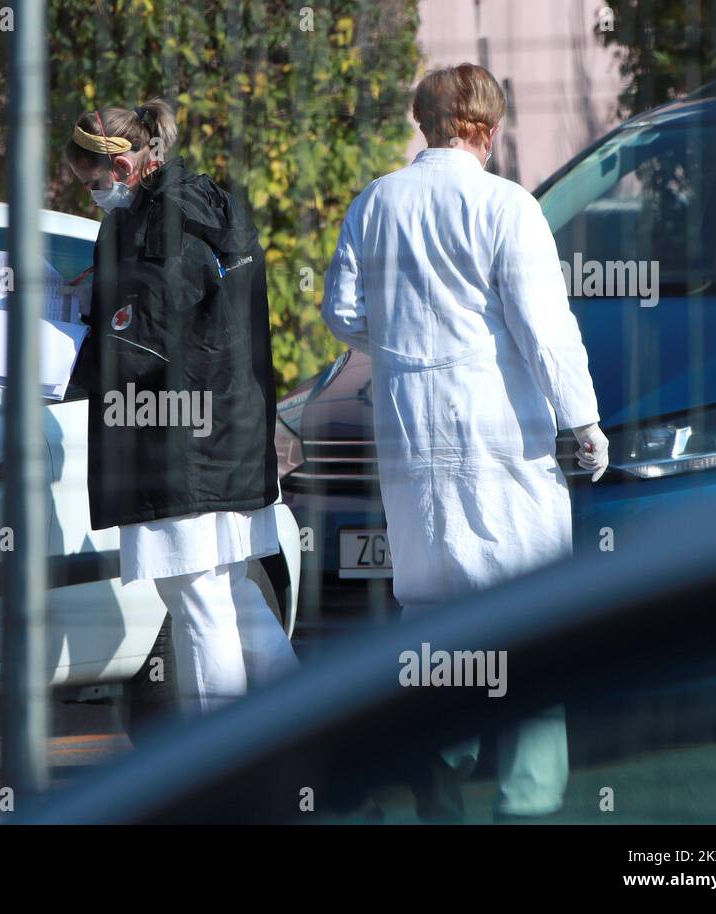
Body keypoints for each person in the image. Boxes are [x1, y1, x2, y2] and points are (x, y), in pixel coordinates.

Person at [321, 63, 609, 820]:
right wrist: (583, 422)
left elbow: (342, 311)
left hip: (412, 428)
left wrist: (406, 345)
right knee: (529, 616)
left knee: (432, 606)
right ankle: (527, 801)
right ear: (485, 127)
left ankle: (434, 777)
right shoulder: (506, 207)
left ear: (426, 122)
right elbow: (546, 333)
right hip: (499, 433)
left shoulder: (375, 203)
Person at [66, 99, 299, 716]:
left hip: (179, 439)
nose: (91, 195)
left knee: (196, 602)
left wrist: (63, 354)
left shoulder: (165, 219)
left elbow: (149, 329)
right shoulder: (193, 205)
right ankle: (306, 733)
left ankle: (216, 766)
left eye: (93, 182)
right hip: (215, 429)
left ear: (126, 168)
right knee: (231, 594)